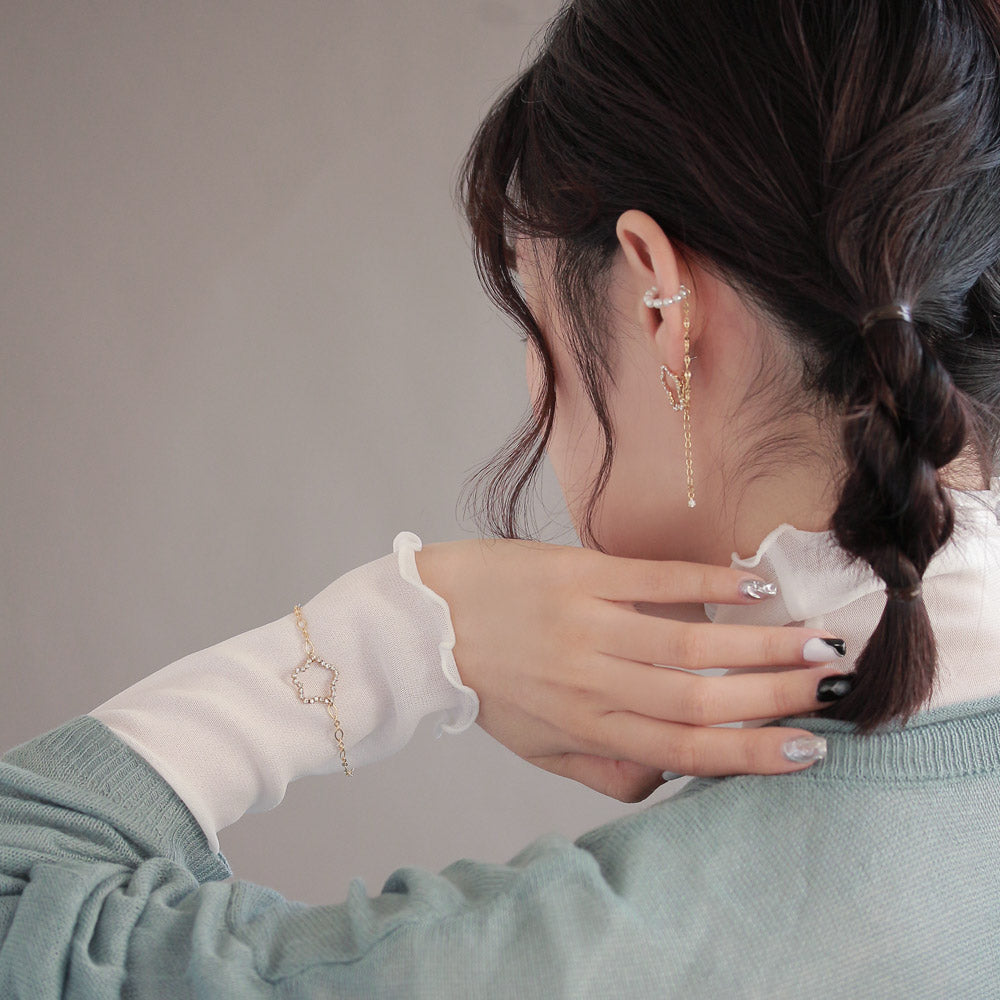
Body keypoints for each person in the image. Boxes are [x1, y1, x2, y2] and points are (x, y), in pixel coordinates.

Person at [4, 0, 1000, 995]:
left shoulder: (570, 956)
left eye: (529, 307)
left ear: (663, 298)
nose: (534, 375)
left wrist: (395, 638)